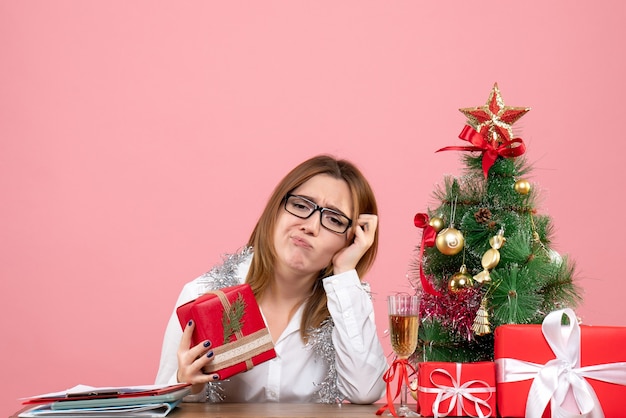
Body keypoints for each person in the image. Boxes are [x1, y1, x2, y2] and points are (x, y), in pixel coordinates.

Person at [155, 154, 388, 404]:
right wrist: (188, 384)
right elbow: (162, 404)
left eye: (334, 219)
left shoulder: (346, 304)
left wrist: (344, 272)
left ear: (350, 239)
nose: (310, 226)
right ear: (276, 210)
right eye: (300, 206)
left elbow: (366, 392)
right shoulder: (202, 295)